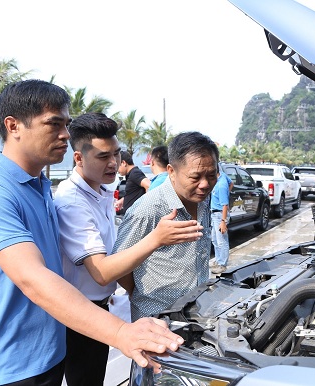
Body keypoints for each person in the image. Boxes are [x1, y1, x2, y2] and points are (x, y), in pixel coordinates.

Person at [0, 79, 183, 386]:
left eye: (67, 124)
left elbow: (42, 268)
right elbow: (31, 277)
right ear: (14, 126)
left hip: (49, 350)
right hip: (11, 365)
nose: (65, 134)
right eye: (54, 124)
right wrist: (120, 332)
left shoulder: (39, 187)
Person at [53, 113, 203, 385]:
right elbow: (100, 272)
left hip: (102, 306)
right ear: (78, 158)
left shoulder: (99, 189)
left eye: (116, 154)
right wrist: (156, 238)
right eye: (102, 157)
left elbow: (116, 253)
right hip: (79, 313)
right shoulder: (72, 202)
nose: (113, 163)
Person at [113, 131, 219, 321]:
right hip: (157, 316)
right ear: (171, 172)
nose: (204, 184)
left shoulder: (203, 199)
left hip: (198, 311)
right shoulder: (148, 208)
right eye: (195, 177)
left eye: (211, 175)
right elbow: (120, 267)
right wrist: (142, 295)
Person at [210, 170, 233, 274]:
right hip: (214, 214)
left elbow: (224, 205)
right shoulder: (223, 175)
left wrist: (223, 221)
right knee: (214, 239)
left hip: (219, 214)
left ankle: (222, 264)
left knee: (221, 241)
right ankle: (218, 260)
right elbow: (231, 183)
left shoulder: (221, 186)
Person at [116, 150, 150, 215]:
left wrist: (145, 207)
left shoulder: (135, 173)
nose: (116, 169)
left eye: (117, 166)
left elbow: (149, 186)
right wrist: (123, 200)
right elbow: (134, 193)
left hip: (136, 216)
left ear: (123, 163)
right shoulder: (130, 174)